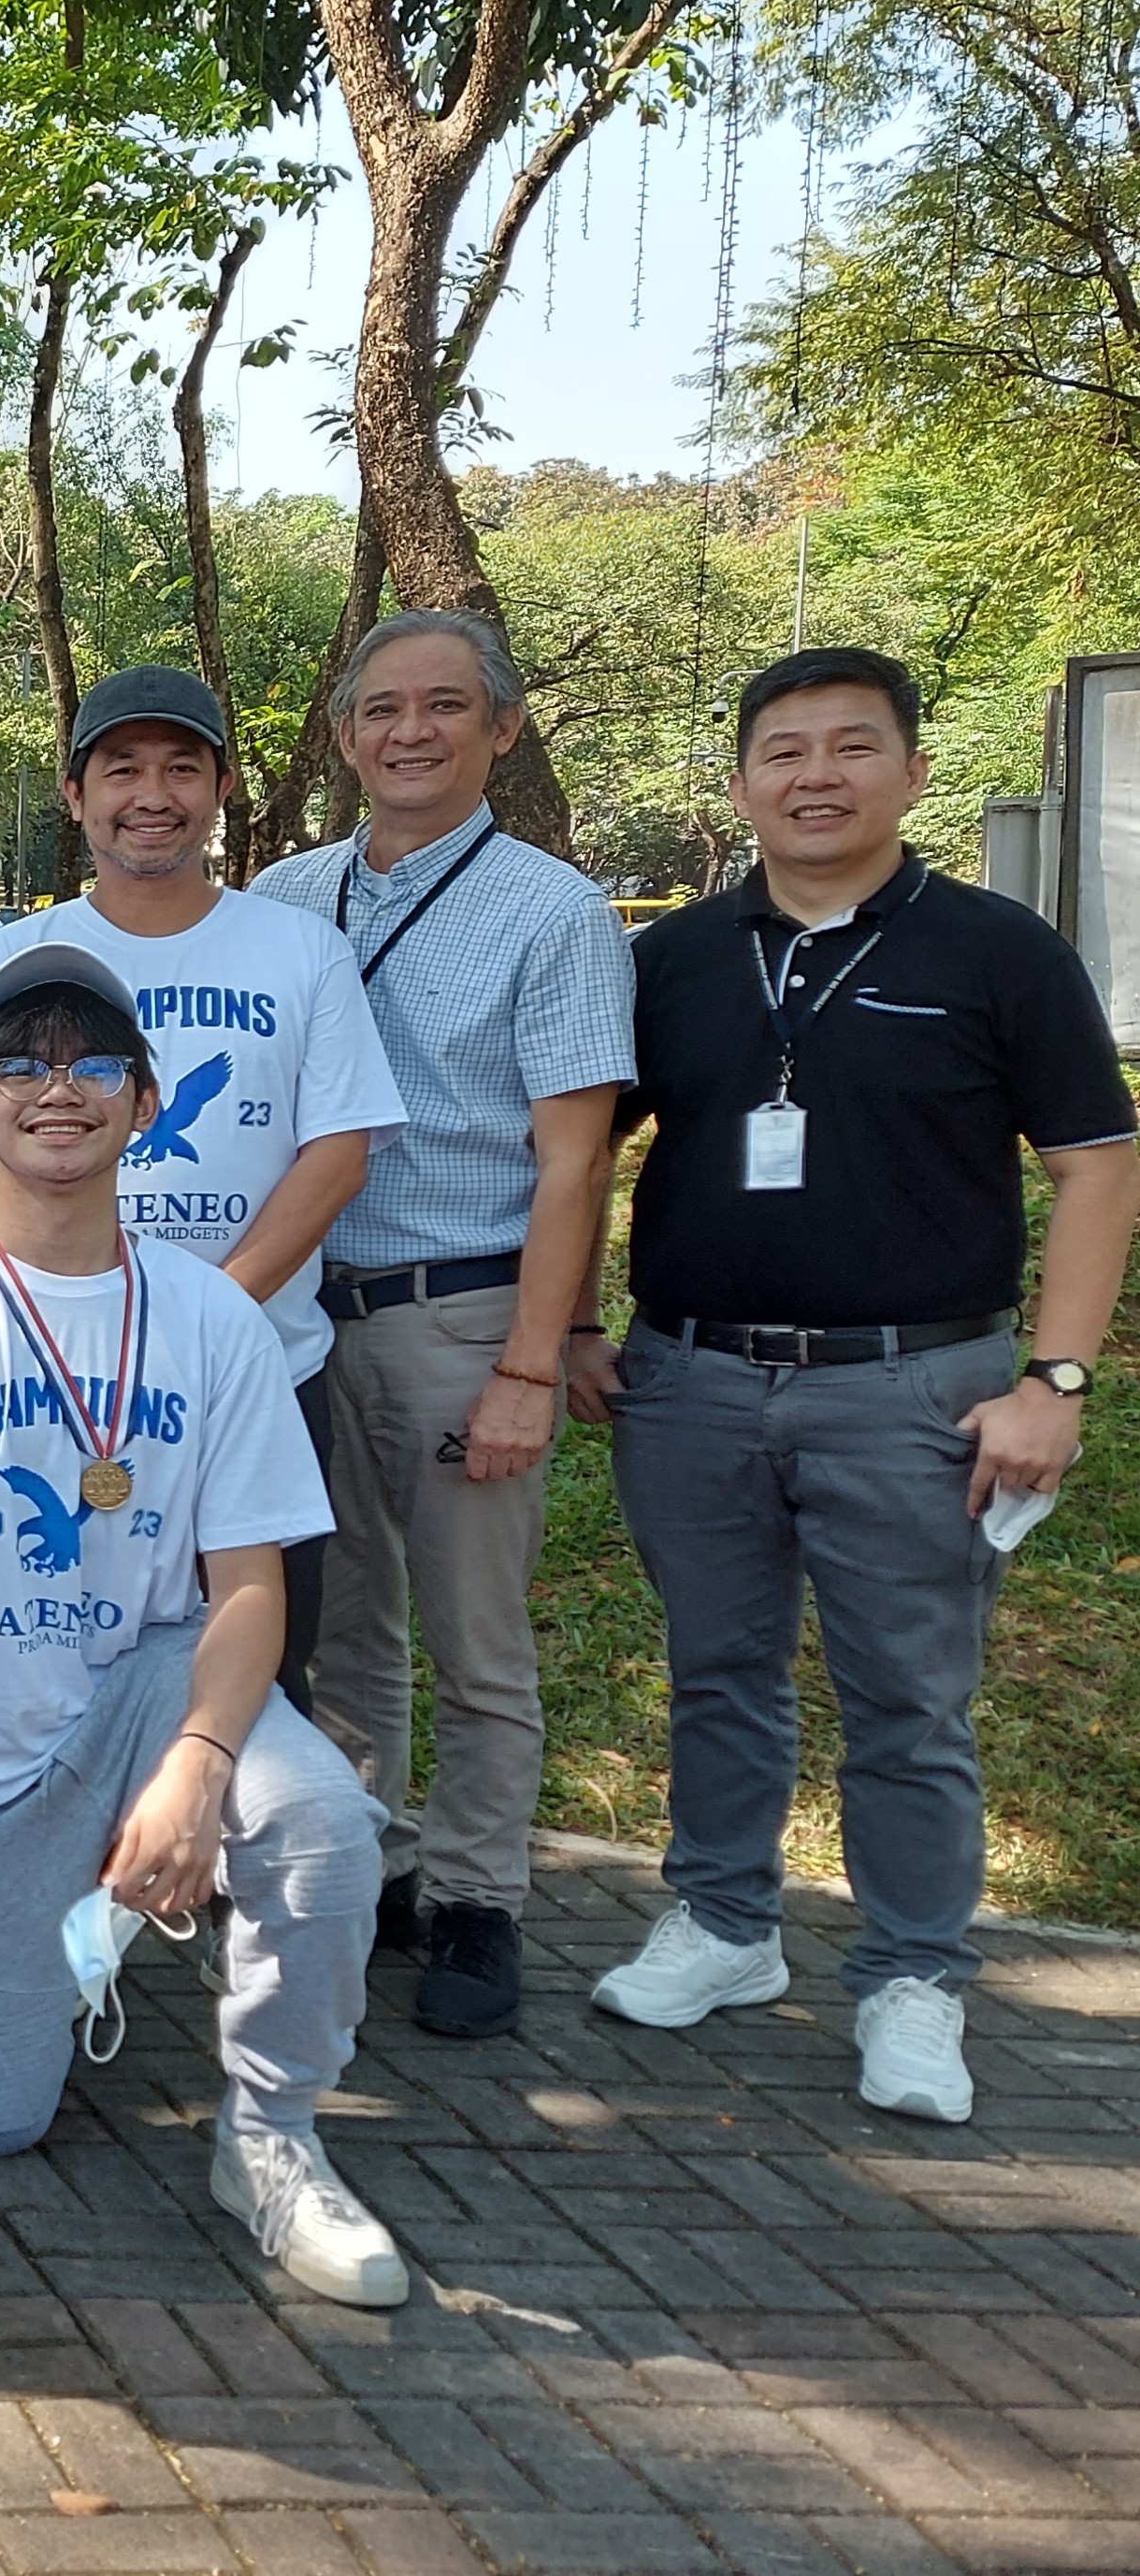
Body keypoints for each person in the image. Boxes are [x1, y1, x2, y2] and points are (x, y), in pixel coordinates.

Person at [570, 646, 1136, 2126]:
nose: (815, 777)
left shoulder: (998, 953)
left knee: (907, 1700)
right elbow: (578, 1155)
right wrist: (565, 1322)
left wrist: (1054, 1379)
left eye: (850, 748)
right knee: (717, 1671)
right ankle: (724, 1924)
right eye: (783, 752)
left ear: (911, 771)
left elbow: (1094, 1165)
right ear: (744, 778)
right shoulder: (674, 960)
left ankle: (910, 1981)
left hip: (916, 1389)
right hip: (688, 1378)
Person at [0, 946, 406, 2308]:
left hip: (151, 1682)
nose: (52, 1089)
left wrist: (197, 1764)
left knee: (318, 1821)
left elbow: (253, 1585)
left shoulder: (213, 1319)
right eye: (17, 1061)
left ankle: (271, 2136)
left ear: (144, 1101)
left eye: (89, 1065)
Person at [246, 613, 633, 2036]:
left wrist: (536, 1359)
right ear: (345, 736)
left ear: (502, 730)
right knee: (344, 1620)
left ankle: (481, 1902)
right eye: (381, 710)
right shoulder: (285, 899)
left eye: (446, 708)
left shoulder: (555, 913)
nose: (410, 733)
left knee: (476, 1639)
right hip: (304, 1314)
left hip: (464, 1312)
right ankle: (379, 1867)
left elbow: (576, 1161)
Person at [0, 665, 402, 1715]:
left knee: (254, 1663)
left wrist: (208, 1315)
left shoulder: (300, 952)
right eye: (121, 768)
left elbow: (336, 1152)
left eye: (180, 767)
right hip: (48, 1380)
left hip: (257, 1373)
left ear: (221, 785)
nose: (152, 793)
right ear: (75, 794)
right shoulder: (7, 959)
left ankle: (223, 1866)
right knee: (45, 1665)